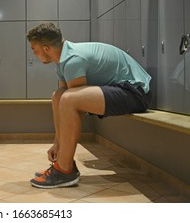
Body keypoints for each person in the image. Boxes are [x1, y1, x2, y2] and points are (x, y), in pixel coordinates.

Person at [26, 23, 151, 188]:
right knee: (58, 96)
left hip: (135, 92)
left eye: (34, 49)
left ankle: (64, 170)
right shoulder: (62, 61)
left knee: (69, 99)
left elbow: (74, 104)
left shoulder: (72, 59)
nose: (33, 53)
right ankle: (64, 164)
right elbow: (62, 98)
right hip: (121, 89)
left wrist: (63, 146)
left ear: (47, 49)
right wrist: (58, 144)